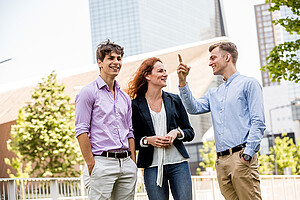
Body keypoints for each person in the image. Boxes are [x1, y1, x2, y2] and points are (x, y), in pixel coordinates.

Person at [177, 42, 266, 200]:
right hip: (221, 162)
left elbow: (258, 122)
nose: (210, 62)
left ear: (227, 57)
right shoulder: (214, 93)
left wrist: (247, 155)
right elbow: (193, 108)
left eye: (213, 58)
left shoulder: (248, 84)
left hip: (242, 158)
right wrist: (183, 82)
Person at [75, 40, 137, 200]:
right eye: (111, 58)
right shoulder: (87, 93)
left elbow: (130, 132)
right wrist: (91, 164)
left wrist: (133, 163)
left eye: (119, 58)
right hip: (101, 163)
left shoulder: (125, 98)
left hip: (126, 164)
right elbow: (81, 130)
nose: (116, 62)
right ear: (100, 62)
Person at [128, 57, 195, 200]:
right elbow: (132, 137)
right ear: (147, 76)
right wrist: (147, 141)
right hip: (152, 167)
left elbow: (190, 132)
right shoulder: (135, 105)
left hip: (179, 165)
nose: (165, 74)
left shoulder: (174, 100)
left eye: (165, 71)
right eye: (160, 71)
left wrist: (176, 132)